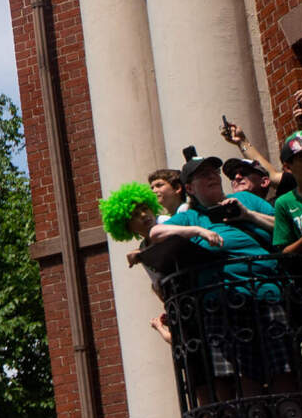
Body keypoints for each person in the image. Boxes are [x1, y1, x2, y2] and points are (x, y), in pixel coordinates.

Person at [168, 148, 290, 398]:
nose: (212, 176)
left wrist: (248, 216)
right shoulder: (190, 217)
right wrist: (196, 232)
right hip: (223, 302)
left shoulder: (247, 200)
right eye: (203, 175)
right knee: (240, 372)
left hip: (268, 292)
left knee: (283, 366)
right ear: (189, 188)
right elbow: (155, 236)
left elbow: (285, 230)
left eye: (213, 171)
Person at [99, 181, 225, 344]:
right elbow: (159, 284)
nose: (143, 215)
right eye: (135, 215)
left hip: (208, 302)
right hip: (185, 311)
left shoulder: (169, 224)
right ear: (128, 227)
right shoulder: (143, 248)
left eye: (144, 209)